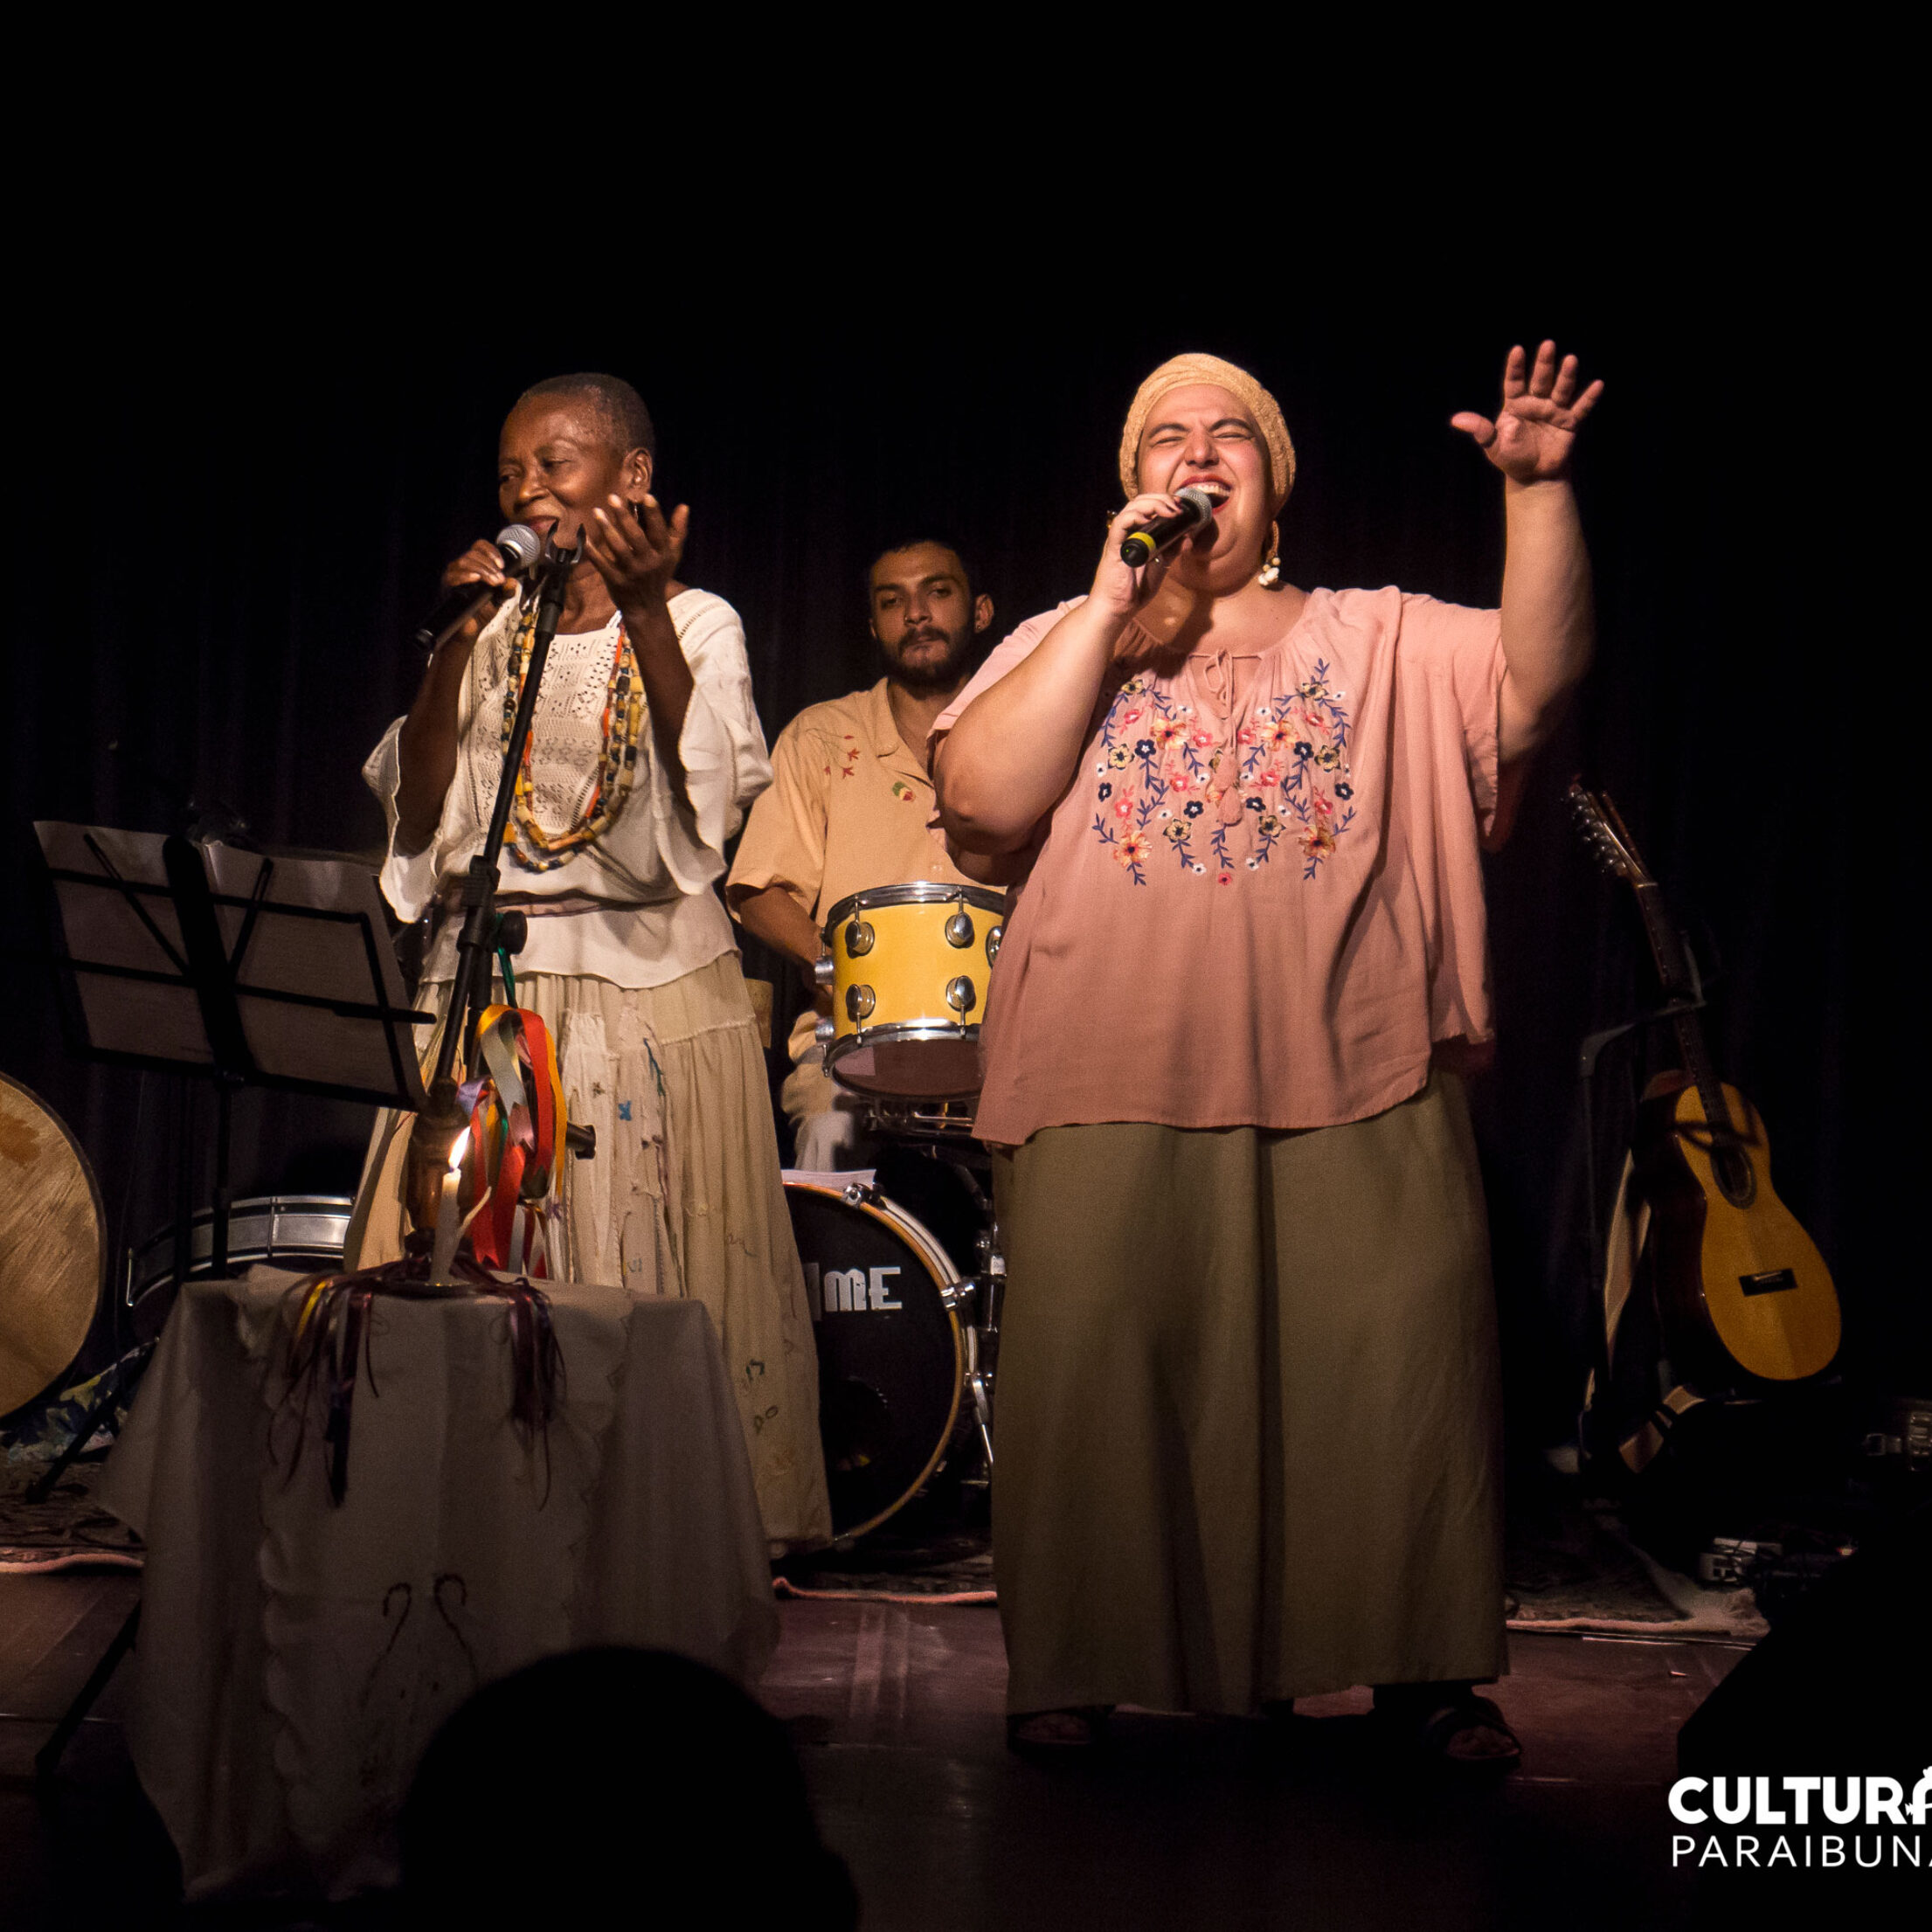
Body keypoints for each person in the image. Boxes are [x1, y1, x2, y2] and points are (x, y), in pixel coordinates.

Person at [932, 345, 1603, 1762]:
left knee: (1387, 1369)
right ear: (1131, 484)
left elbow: (1535, 685)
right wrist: (1106, 609)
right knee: (1102, 1372)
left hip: (1356, 1056)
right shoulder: (1064, 634)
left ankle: (1418, 1672)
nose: (1196, 451)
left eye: (1228, 432)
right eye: (1164, 435)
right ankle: (1081, 1663)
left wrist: (1536, 495)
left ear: (1272, 483)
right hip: (1107, 1066)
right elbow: (982, 801)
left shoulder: (1382, 633)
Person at [348, 372, 830, 1551]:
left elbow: (706, 795)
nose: (527, 491)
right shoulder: (492, 634)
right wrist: (455, 639)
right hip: (484, 974)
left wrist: (649, 608)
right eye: (509, 473)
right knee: (458, 1259)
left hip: (644, 989)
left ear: (631, 476)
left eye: (552, 465)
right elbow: (422, 808)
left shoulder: (697, 621)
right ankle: (459, 1524)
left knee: (622, 1261)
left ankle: (639, 1541)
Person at [727, 539, 993, 1168]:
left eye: (937, 592)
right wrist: (829, 961)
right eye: (892, 601)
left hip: (1005, 1043)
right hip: (853, 1044)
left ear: (981, 611)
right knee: (828, 1128)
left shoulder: (1027, 727)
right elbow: (758, 888)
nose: (916, 614)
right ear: (873, 626)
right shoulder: (822, 735)